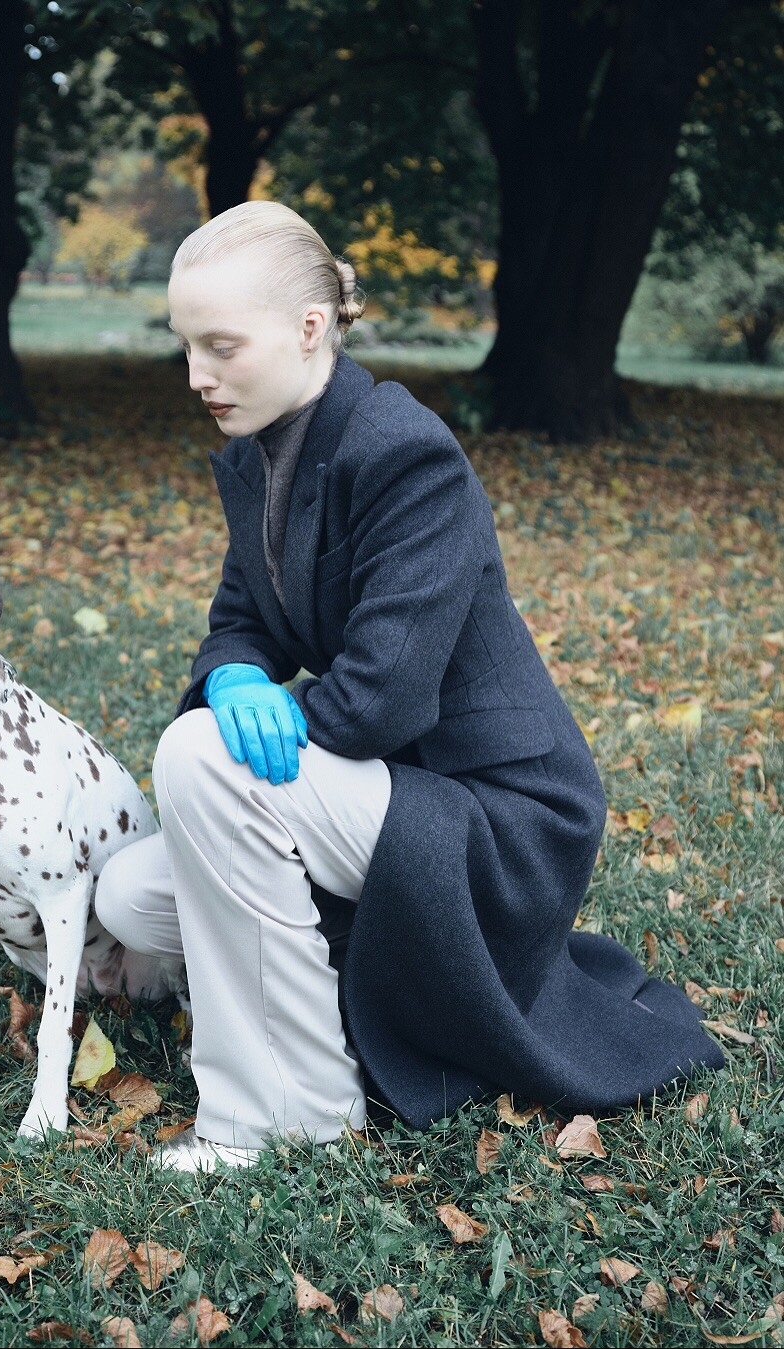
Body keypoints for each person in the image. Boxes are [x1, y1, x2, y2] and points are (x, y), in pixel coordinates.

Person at [94, 200, 724, 1173]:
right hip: (390, 789)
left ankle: (287, 1113)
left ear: (310, 329)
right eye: (186, 345)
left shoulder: (403, 449)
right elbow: (241, 621)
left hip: (498, 819)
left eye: (221, 346)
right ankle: (335, 1009)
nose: (196, 376)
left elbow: (377, 703)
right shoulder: (260, 451)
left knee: (199, 758)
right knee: (133, 895)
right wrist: (233, 676)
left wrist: (244, 721)